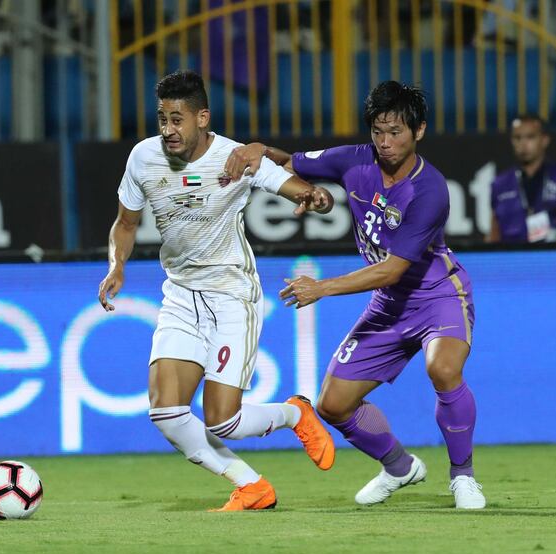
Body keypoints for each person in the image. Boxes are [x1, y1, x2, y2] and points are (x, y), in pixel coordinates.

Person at [224, 81, 486, 509]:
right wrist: (258, 148)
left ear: (418, 131)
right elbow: (291, 163)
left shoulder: (430, 190)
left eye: (396, 132)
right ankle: (400, 467)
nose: (385, 143)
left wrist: (322, 287)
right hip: (389, 306)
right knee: (332, 405)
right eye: (378, 132)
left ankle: (463, 477)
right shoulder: (354, 161)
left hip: (437, 295)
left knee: (442, 370)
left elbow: (394, 268)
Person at [98, 69, 336, 512]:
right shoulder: (142, 158)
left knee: (224, 421)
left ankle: (295, 412)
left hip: (230, 294)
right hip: (181, 296)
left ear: (202, 117)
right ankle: (251, 485)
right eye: (162, 119)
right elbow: (125, 223)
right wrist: (117, 266)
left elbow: (296, 187)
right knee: (165, 411)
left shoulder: (236, 158)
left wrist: (315, 197)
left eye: (177, 120)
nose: (168, 130)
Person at [487, 114, 556, 243]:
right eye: (517, 138)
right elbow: (493, 236)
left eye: (530, 137)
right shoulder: (500, 183)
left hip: (552, 258)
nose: (523, 144)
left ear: (544, 140)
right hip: (511, 259)